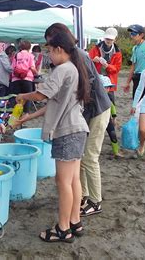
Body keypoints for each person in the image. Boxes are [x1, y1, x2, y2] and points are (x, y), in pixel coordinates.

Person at [15, 30, 91, 242]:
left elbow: (41, 95)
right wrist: (27, 117)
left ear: (59, 49)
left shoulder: (62, 69)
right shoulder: (74, 68)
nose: (49, 55)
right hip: (78, 129)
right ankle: (75, 221)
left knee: (63, 182)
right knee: (73, 179)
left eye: (49, 50)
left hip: (67, 132)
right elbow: (54, 103)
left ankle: (63, 228)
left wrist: (23, 96)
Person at [89, 27, 123, 157]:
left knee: (110, 109)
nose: (108, 41)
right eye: (107, 39)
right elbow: (88, 62)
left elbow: (117, 69)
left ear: (115, 39)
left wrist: (107, 66)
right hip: (96, 83)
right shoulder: (96, 48)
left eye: (111, 39)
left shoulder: (117, 52)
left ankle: (112, 121)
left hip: (109, 83)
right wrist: (94, 60)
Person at [123, 24, 145, 98]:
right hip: (137, 78)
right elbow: (133, 66)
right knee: (137, 101)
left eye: (134, 34)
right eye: (131, 34)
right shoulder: (134, 48)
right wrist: (127, 83)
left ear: (142, 35)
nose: (132, 36)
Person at [10, 40, 37, 111]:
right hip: (27, 79)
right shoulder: (30, 56)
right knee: (27, 97)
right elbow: (32, 67)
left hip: (16, 79)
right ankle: (25, 114)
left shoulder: (16, 55)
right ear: (29, 48)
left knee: (16, 97)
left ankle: (15, 115)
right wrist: (36, 73)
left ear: (20, 47)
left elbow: (12, 68)